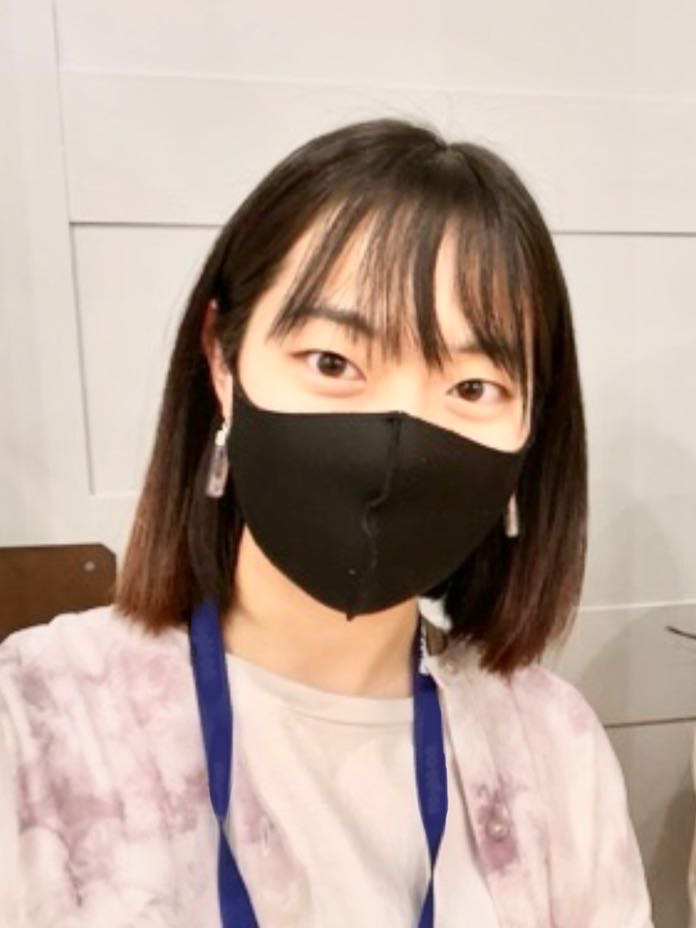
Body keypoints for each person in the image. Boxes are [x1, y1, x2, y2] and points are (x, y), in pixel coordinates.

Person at [0, 118, 653, 927]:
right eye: (333, 362)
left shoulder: (553, 748)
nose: (399, 441)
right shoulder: (38, 725)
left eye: (473, 388)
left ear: (531, 427)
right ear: (223, 361)